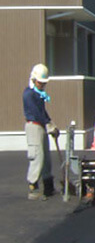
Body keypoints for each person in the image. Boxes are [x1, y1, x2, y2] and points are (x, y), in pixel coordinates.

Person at [23, 64, 59, 200]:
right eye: (40, 82)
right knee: (37, 155)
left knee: (46, 157)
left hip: (41, 126)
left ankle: (48, 186)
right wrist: (49, 126)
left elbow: (43, 112)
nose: (42, 85)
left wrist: (51, 124)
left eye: (44, 83)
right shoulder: (29, 94)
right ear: (33, 79)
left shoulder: (38, 95)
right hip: (34, 126)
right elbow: (37, 114)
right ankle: (33, 187)